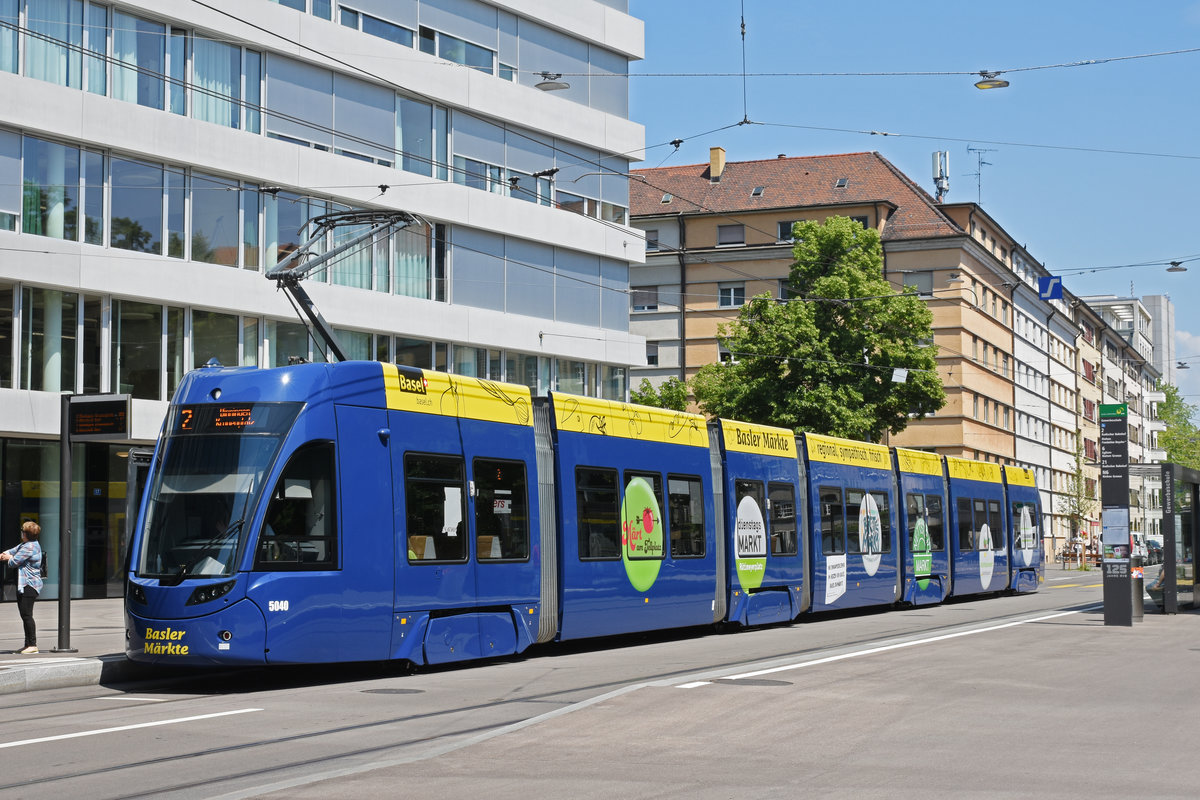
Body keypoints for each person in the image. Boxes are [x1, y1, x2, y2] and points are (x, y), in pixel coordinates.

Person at [1, 520, 44, 654]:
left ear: (26, 534)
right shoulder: (25, 544)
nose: (21, 533)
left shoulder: (29, 547)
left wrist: (8, 557)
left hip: (29, 585)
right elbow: (12, 551)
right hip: (24, 585)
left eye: (23, 531)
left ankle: (32, 645)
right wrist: (4, 555)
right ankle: (27, 645)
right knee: (24, 615)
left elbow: (13, 562)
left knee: (27, 615)